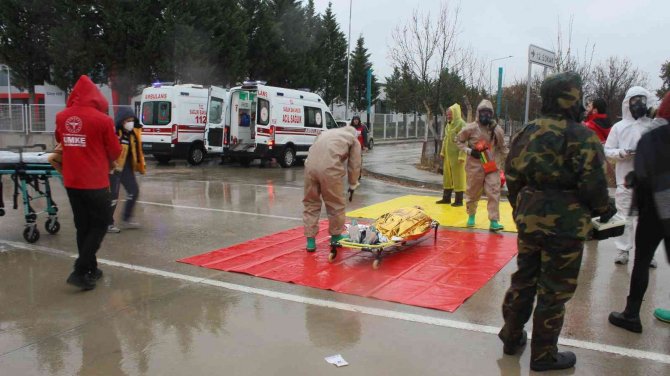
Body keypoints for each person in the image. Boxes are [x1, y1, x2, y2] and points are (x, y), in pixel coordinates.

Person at [499, 72, 615, 372]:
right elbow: (594, 185)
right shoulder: (582, 136)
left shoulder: (527, 132)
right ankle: (543, 355)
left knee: (524, 279)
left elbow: (511, 176)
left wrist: (521, 209)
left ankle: (511, 338)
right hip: (567, 225)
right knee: (554, 290)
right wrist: (604, 209)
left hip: (530, 219)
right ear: (572, 98)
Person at [609, 92, 670, 332]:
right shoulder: (623, 128)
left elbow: (644, 174)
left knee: (642, 260)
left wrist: (633, 179)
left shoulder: (653, 134)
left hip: (655, 207)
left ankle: (631, 314)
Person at [55, 75, 121, 291]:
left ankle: (91, 268)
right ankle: (80, 269)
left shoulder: (62, 117)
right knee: (101, 224)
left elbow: (60, 139)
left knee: (82, 226)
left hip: (72, 181)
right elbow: (115, 151)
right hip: (95, 182)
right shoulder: (103, 120)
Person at [604, 86, 657, 267]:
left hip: (648, 180)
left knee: (647, 218)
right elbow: (608, 150)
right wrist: (622, 153)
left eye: (641, 100)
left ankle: (648, 254)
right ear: (627, 103)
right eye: (633, 101)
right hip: (625, 180)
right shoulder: (619, 127)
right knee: (624, 216)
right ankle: (623, 250)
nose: (637, 105)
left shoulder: (652, 125)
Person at [303, 126, 362, 251]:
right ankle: (336, 237)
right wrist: (352, 184)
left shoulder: (325, 134)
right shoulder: (353, 139)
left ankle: (310, 242)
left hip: (310, 168)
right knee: (335, 204)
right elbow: (355, 164)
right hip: (330, 170)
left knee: (311, 204)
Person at [456, 99, 508, 231]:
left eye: (488, 112)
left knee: (494, 192)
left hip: (491, 166)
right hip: (475, 166)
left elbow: (503, 147)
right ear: (479, 113)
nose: (486, 115)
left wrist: (510, 162)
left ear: (492, 114)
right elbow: (458, 141)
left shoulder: (496, 130)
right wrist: (469, 151)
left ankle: (494, 221)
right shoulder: (470, 128)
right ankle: (471, 216)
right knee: (472, 191)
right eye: (483, 112)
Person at [107, 107, 146, 233]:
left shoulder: (133, 133)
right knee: (112, 197)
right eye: (127, 120)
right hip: (114, 168)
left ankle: (126, 218)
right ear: (121, 121)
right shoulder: (114, 133)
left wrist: (139, 165)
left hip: (126, 167)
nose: (130, 123)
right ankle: (107, 223)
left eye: (132, 120)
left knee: (134, 191)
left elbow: (137, 150)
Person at [436, 103, 466, 206]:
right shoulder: (448, 125)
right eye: (447, 115)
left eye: (450, 114)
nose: (448, 116)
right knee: (447, 177)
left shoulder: (461, 124)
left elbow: (464, 141)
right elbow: (445, 139)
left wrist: (462, 156)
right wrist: (442, 152)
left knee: (458, 177)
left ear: (456, 113)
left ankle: (459, 200)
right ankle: (446, 198)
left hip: (457, 157)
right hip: (448, 156)